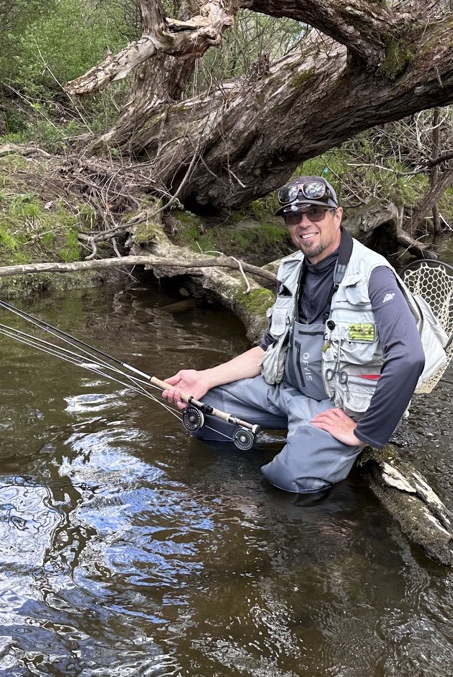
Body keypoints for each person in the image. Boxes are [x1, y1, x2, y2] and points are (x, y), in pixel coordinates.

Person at [161, 176, 427, 495]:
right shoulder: (290, 270)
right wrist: (204, 377)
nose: (304, 224)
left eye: (314, 213)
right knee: (204, 409)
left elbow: (409, 357)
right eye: (293, 216)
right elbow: (269, 347)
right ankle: (237, 489)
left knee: (287, 481)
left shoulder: (374, 274)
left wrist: (365, 432)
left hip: (336, 406)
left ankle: (305, 494)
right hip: (286, 391)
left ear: (337, 216)